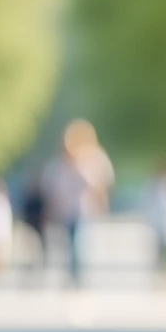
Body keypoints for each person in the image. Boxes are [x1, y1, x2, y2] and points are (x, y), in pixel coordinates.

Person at [42, 120, 114, 284]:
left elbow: (101, 185)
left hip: (85, 210)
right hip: (65, 210)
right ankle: (73, 271)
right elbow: (52, 187)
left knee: (79, 241)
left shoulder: (94, 160)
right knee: (68, 242)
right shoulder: (59, 164)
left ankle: (77, 273)